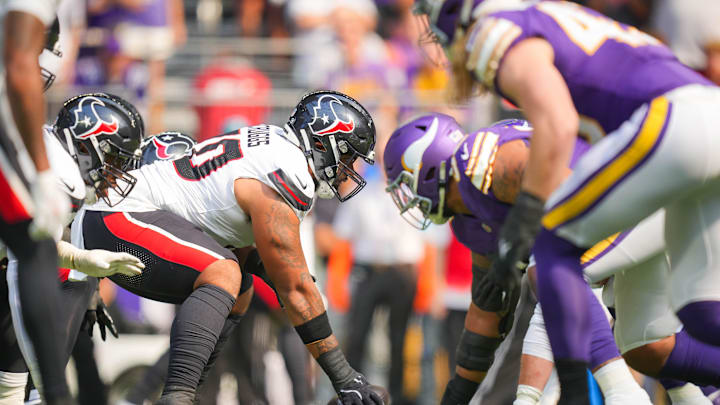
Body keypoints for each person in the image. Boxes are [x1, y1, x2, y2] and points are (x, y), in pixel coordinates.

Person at [415, 0, 720, 403]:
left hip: (671, 122)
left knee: (554, 251)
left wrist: (527, 224)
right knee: (680, 323)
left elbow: (558, 124)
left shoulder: (494, 32)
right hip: (697, 116)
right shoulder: (538, 15)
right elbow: (487, 308)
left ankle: (592, 395)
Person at [72, 91, 387, 405]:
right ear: (321, 143)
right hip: (113, 217)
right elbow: (295, 290)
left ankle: (185, 393)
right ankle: (176, 398)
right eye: (347, 156)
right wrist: (346, 378)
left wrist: (291, 281)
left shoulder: (276, 146)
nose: (348, 168)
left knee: (239, 288)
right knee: (224, 271)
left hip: (118, 218)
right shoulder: (287, 170)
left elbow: (252, 254)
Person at [384, 114, 651, 404]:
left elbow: (564, 190)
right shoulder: (468, 217)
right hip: (607, 230)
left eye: (407, 183)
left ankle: (619, 391)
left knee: (549, 269)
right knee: (657, 351)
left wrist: (516, 246)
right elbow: (487, 312)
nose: (409, 198)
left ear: (428, 165)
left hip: (624, 200)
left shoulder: (481, 163)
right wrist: (455, 396)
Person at [1, 92, 145, 403]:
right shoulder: (60, 177)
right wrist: (49, 385)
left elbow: (32, 247)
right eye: (114, 158)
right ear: (85, 145)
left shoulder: (48, 149)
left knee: (8, 390)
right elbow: (20, 275)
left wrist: (80, 260)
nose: (116, 172)